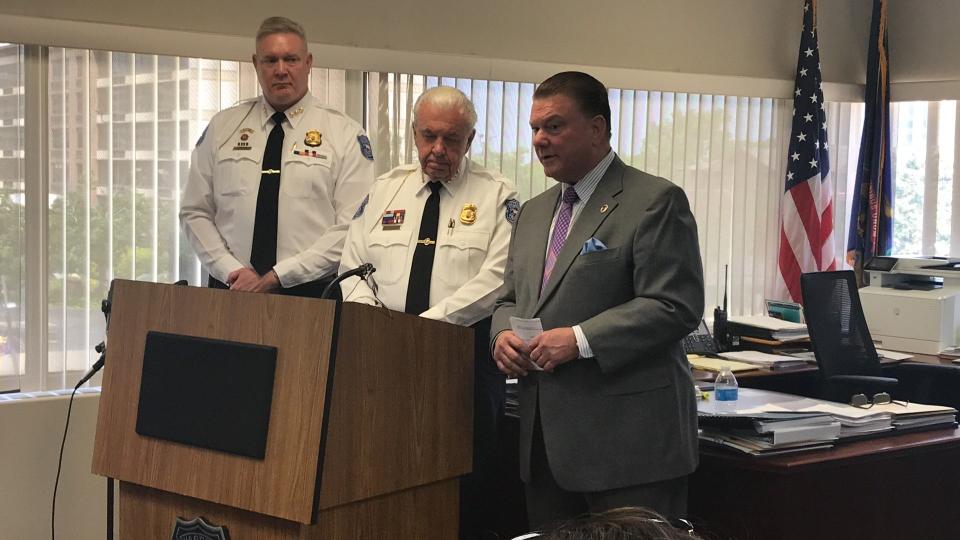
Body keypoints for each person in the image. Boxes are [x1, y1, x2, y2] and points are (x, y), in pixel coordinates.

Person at [491, 72, 704, 528]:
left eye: (554, 126)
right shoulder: (531, 213)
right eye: (534, 129)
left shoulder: (654, 200)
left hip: (629, 448)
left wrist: (581, 339)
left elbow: (675, 304)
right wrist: (502, 335)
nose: (540, 140)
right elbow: (509, 297)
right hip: (546, 447)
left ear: (597, 128)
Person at [339, 86, 519, 540]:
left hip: (463, 361)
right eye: (428, 136)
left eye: (452, 139)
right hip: (382, 357)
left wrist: (423, 330)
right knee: (385, 477)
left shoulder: (498, 195)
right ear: (413, 133)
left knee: (466, 486)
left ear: (471, 139)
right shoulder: (384, 190)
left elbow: (498, 277)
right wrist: (376, 329)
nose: (438, 150)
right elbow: (352, 267)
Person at [180, 16, 375, 298]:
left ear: (308, 63)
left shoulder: (344, 134)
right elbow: (194, 211)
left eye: (291, 59)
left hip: (310, 293)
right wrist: (231, 270)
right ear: (256, 64)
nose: (281, 70)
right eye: (270, 60)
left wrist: (278, 276)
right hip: (231, 290)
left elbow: (353, 226)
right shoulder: (223, 128)